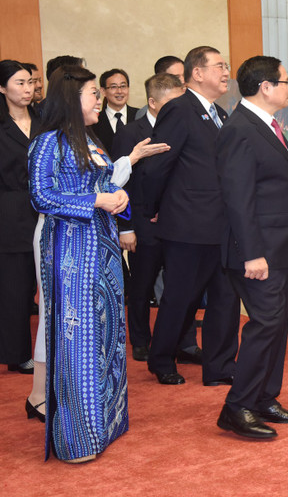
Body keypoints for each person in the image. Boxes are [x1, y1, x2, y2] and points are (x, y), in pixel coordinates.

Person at [214, 55, 288, 439]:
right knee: (264, 325)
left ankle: (264, 397)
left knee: (275, 325)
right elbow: (237, 198)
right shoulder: (240, 129)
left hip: (281, 244)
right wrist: (251, 253)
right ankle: (237, 406)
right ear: (265, 87)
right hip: (258, 250)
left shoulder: (269, 125)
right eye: (285, 81)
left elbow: (287, 187)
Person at [28, 65, 130, 463]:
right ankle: (77, 438)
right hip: (71, 253)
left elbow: (105, 185)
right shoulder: (48, 142)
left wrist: (117, 198)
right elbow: (41, 197)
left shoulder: (90, 139)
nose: (99, 98)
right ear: (72, 98)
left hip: (103, 249)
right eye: (93, 92)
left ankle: (107, 422)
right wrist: (96, 201)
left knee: (108, 335)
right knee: (79, 340)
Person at [142, 45, 240, 386]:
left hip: (223, 226)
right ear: (196, 73)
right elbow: (158, 165)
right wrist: (151, 209)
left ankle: (220, 365)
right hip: (187, 224)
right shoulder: (179, 110)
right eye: (219, 66)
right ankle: (161, 357)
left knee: (226, 299)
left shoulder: (221, 114)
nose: (226, 72)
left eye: (227, 67)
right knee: (181, 297)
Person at [112, 73, 184, 362]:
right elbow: (120, 183)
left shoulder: (182, 129)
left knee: (178, 286)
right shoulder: (131, 133)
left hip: (178, 222)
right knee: (142, 286)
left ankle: (176, 339)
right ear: (153, 102)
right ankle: (141, 339)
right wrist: (126, 227)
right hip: (142, 224)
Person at [0, 61, 39, 376]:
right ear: (2, 88)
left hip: (47, 211)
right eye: (19, 83)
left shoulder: (44, 120)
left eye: (30, 83)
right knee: (16, 289)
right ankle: (17, 352)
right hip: (10, 215)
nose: (27, 89)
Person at [94, 68, 138, 153]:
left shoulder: (140, 115)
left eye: (123, 86)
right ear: (103, 91)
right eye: (113, 87)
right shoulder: (94, 121)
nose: (119, 91)